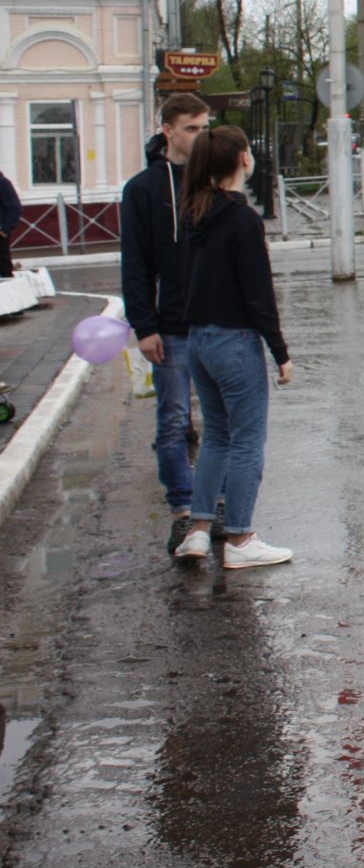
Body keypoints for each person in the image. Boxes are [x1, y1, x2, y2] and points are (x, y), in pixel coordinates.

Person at [171, 126, 294, 570]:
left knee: (217, 438)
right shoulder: (242, 220)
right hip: (235, 341)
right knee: (246, 443)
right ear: (243, 159)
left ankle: (200, 532)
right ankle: (240, 538)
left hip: (198, 340)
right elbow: (258, 292)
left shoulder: (193, 214)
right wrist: (280, 351)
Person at [119, 92, 209, 556]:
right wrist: (144, 326)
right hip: (170, 328)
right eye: (192, 128)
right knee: (173, 421)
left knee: (223, 422)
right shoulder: (143, 189)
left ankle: (217, 507)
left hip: (217, 323)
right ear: (168, 131)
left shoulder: (214, 181)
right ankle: (182, 512)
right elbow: (134, 265)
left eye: (205, 127)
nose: (200, 136)